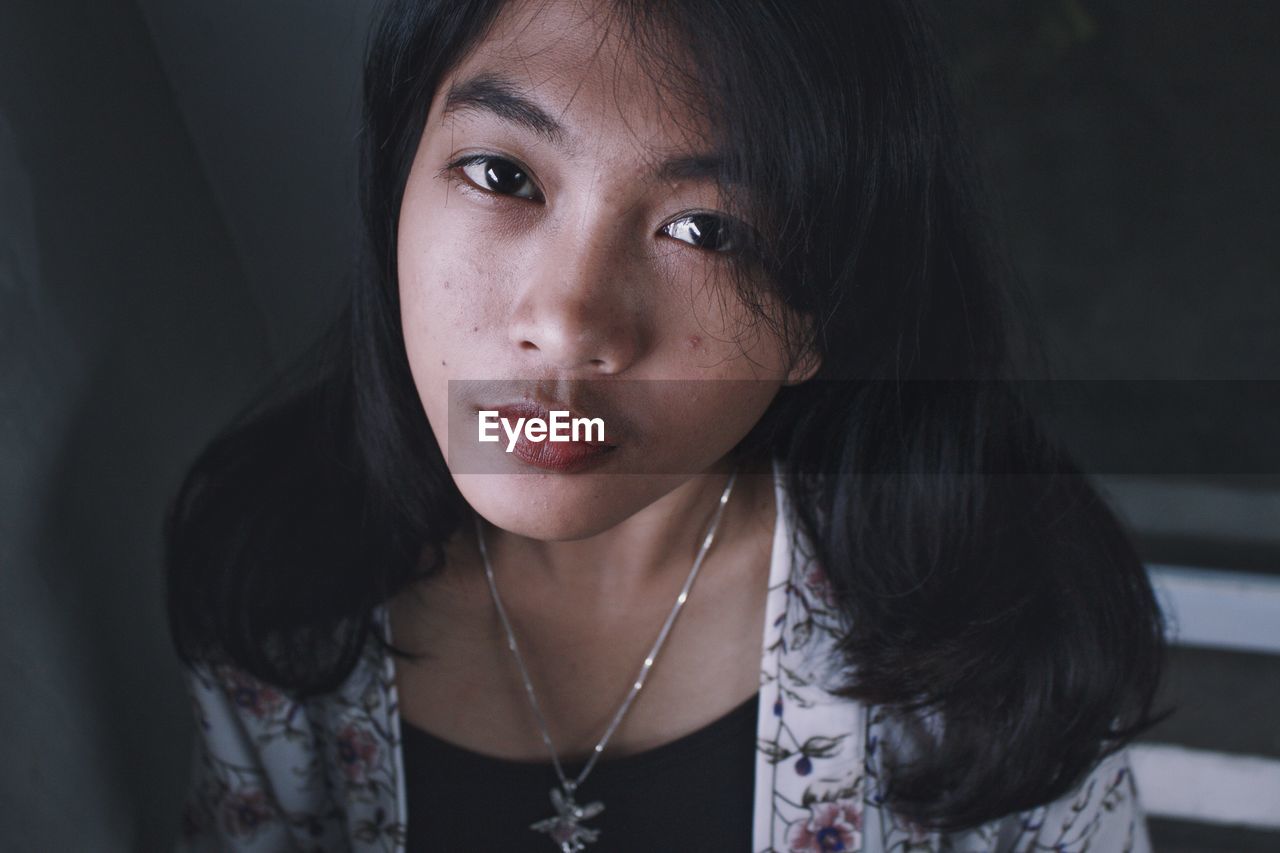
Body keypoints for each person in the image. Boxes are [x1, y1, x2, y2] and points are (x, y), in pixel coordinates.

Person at [166, 0, 1167, 850]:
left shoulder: (993, 635)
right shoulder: (273, 578)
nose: (566, 320)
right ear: (395, 183)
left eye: (706, 230)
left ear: (822, 316)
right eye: (502, 176)